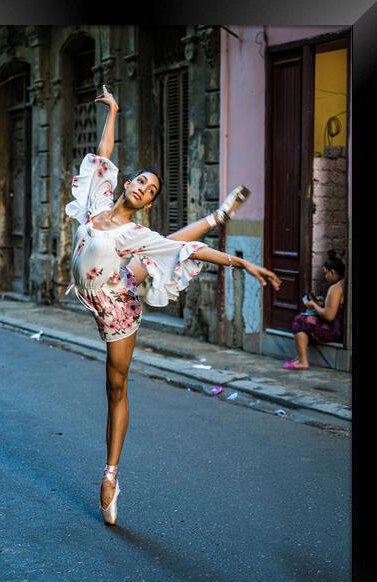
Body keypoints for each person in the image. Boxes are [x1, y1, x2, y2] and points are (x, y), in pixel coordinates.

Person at [65, 85, 282, 525]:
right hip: (108, 279)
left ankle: (110, 475)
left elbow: (194, 254)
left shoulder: (132, 232)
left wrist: (239, 261)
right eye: (142, 180)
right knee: (152, 255)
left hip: (117, 306)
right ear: (128, 184)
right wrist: (115, 109)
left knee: (116, 389)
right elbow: (104, 152)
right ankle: (216, 217)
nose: (144, 188)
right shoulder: (96, 205)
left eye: (151, 191)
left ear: (146, 203)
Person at [283, 250, 346, 370]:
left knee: (299, 320)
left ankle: (303, 361)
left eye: (326, 273)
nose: (325, 276)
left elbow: (329, 316)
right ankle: (299, 357)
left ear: (332, 272)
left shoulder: (335, 288)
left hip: (334, 331)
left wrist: (313, 306)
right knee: (306, 320)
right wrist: (321, 303)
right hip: (338, 329)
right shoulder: (343, 284)